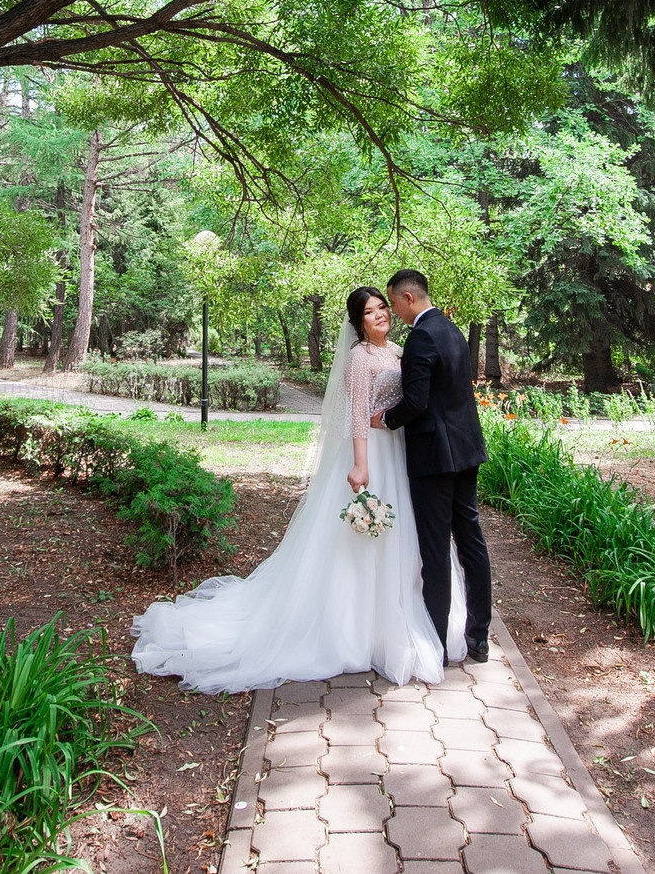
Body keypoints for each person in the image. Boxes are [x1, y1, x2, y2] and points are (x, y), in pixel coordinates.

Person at [130, 286, 458, 692]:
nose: (380, 315)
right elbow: (358, 415)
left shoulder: (396, 350)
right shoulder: (359, 357)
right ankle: (355, 630)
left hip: (399, 452)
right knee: (361, 545)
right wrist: (360, 464)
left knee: (399, 539)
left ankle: (392, 620)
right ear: (357, 323)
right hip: (372, 452)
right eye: (369, 312)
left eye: (382, 308)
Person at [372, 268, 494, 663]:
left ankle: (436, 644)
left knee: (436, 548)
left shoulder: (422, 336)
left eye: (393, 303)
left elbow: (417, 401)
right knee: (471, 542)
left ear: (408, 298)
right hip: (466, 451)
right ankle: (478, 638)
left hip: (434, 458)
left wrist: (385, 419)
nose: (393, 311)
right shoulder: (452, 330)